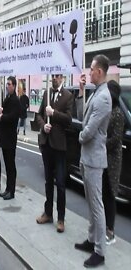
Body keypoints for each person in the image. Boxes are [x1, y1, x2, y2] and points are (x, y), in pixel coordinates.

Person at [74, 54, 112, 268]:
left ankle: (100, 251)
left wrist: (79, 137)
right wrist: (80, 91)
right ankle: (91, 240)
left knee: (97, 206)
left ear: (99, 71)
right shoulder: (95, 94)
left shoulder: (104, 97)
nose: (89, 73)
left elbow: (87, 131)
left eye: (91, 69)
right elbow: (82, 116)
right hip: (86, 158)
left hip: (94, 160)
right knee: (90, 203)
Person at [35, 74, 73, 233]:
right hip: (46, 143)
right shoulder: (46, 94)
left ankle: (61, 218)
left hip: (59, 146)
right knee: (48, 181)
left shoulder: (68, 96)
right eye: (53, 76)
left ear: (62, 78)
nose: (54, 79)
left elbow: (69, 119)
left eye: (57, 76)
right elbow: (38, 115)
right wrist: (43, 125)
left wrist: (53, 113)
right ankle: (48, 212)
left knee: (61, 184)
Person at [102, 80, 124, 245]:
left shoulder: (118, 113)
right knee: (103, 195)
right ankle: (104, 227)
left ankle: (110, 231)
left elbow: (115, 139)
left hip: (113, 161)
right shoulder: (108, 111)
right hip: (104, 159)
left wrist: (100, 142)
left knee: (110, 195)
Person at [0, 76, 20, 200]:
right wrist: (0, 110)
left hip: (10, 137)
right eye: (7, 84)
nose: (7, 86)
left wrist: (2, 116)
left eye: (9, 84)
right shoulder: (7, 98)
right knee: (7, 164)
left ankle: (12, 191)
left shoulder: (15, 100)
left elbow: (13, 117)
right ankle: (7, 188)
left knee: (11, 165)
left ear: (14, 86)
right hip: (5, 136)